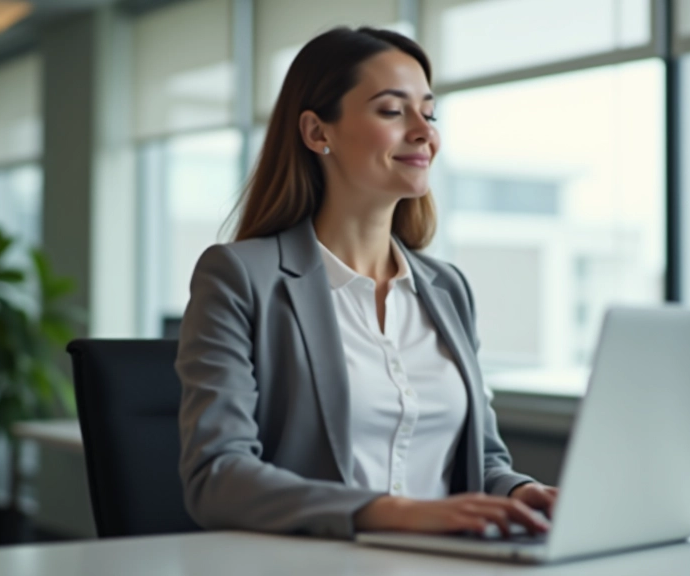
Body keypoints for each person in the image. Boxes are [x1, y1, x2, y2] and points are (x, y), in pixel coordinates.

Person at [176, 26, 557, 540]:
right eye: (393, 111)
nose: (425, 131)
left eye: (430, 111)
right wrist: (395, 512)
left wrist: (518, 492)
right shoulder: (239, 277)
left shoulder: (447, 290)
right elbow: (217, 477)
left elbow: (481, 460)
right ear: (317, 133)